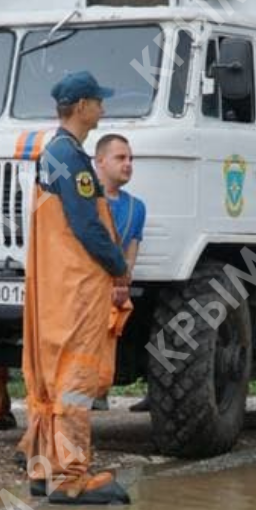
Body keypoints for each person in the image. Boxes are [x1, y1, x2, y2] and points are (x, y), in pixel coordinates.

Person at [19, 71, 132, 505]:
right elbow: (87, 225)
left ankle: (43, 469)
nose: (103, 109)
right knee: (75, 377)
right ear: (82, 106)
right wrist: (119, 266)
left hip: (56, 287)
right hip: (78, 287)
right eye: (99, 102)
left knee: (51, 378)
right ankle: (70, 478)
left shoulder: (53, 155)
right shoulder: (70, 159)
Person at [94, 133, 149, 410]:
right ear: (100, 161)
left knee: (107, 348)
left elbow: (132, 248)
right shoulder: (86, 202)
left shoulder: (136, 207)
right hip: (86, 290)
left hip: (113, 292)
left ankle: (98, 392)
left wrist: (123, 282)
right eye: (120, 158)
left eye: (130, 158)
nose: (128, 164)